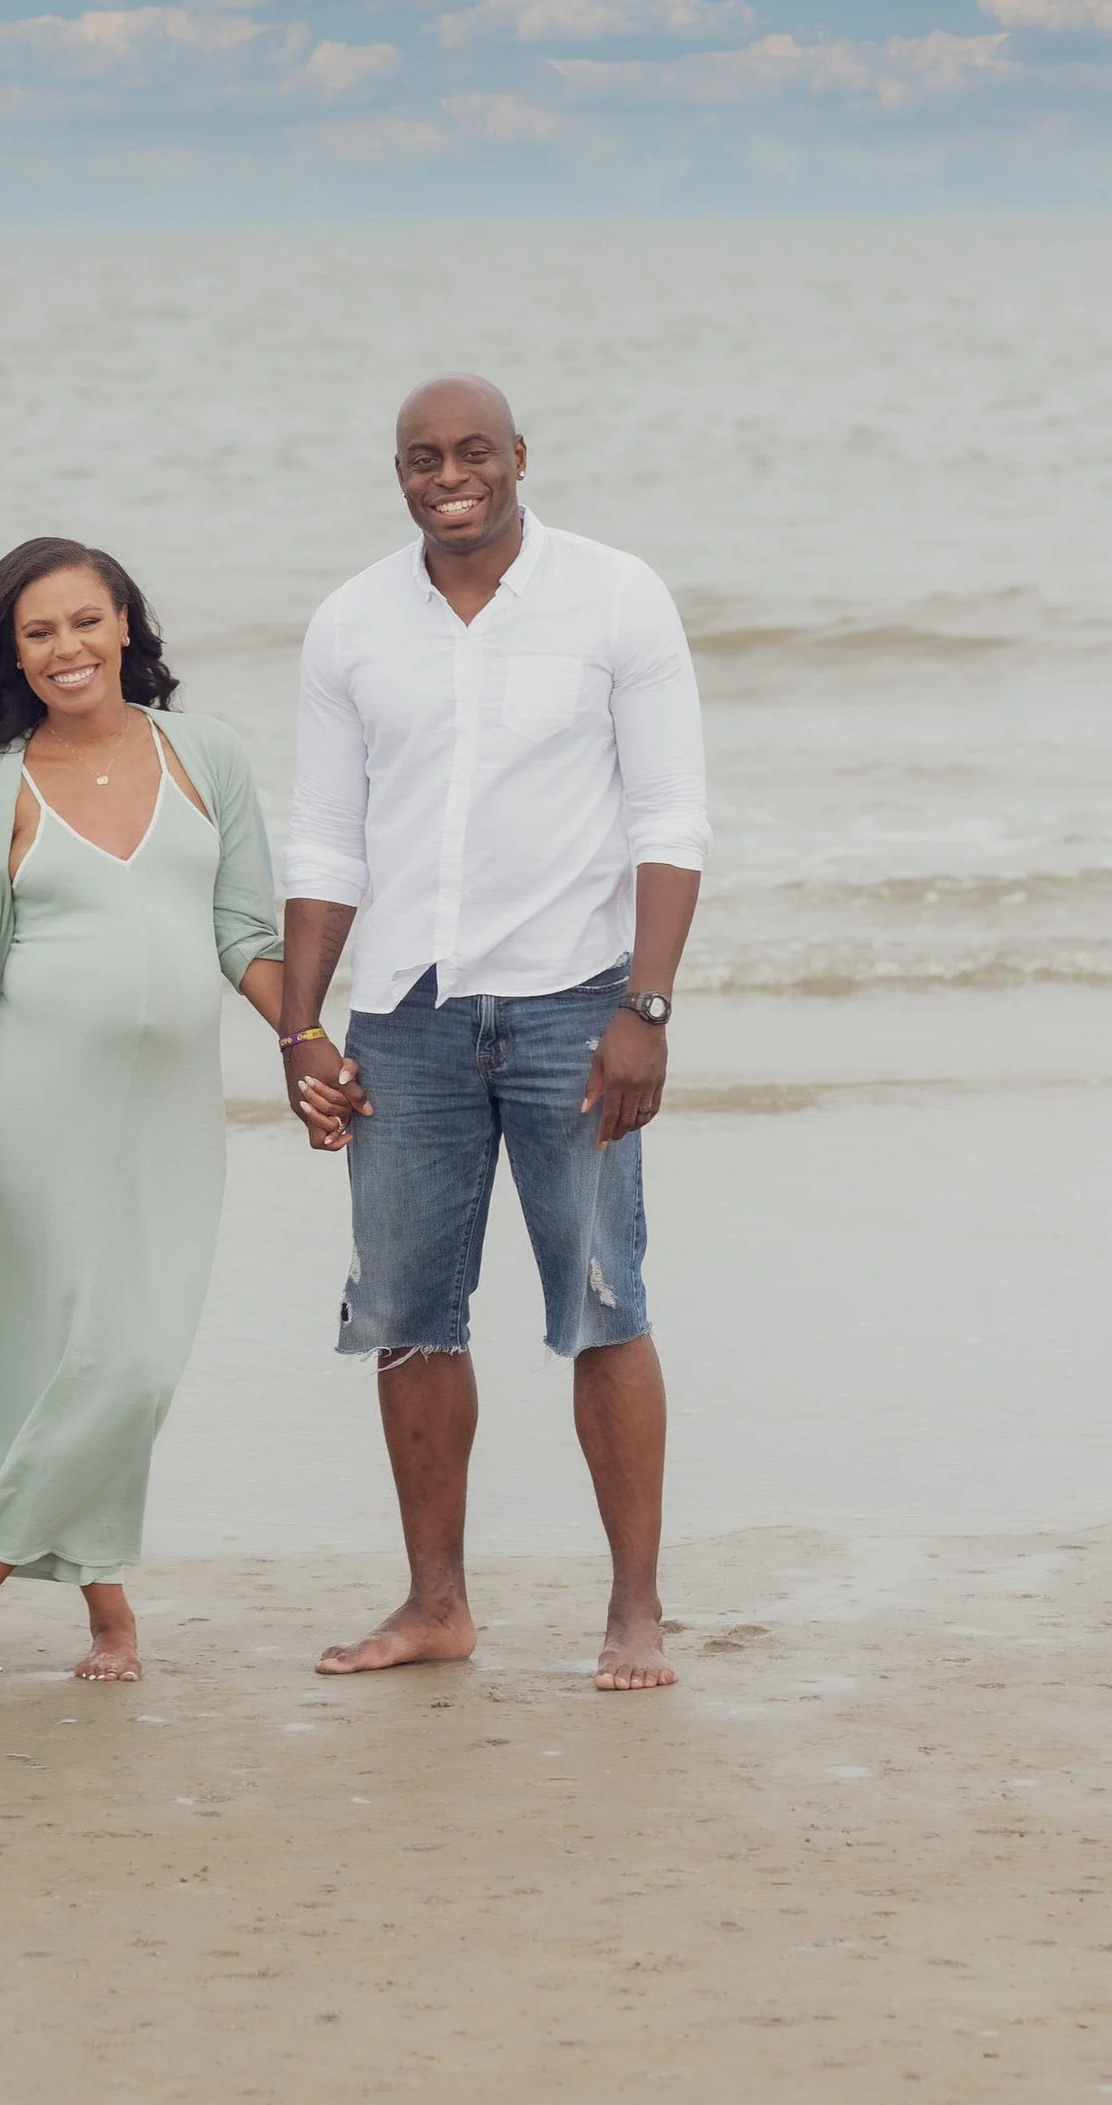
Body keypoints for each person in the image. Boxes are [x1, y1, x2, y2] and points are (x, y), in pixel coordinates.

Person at [0, 537, 353, 1684]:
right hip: (24, 1119)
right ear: (14, 653)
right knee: (29, 1354)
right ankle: (103, 1606)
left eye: (86, 622)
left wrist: (303, 1040)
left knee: (133, 1361)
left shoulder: (207, 755)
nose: (68, 649)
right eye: (39, 631)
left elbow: (245, 936)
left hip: (165, 1120)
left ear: (126, 627)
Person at [280, 377, 708, 1693]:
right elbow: (324, 841)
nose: (446, 476)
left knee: (600, 1307)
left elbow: (668, 821)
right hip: (400, 1019)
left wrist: (642, 1009)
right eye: (420, 458)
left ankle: (631, 1611)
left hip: (575, 1006)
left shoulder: (615, 597)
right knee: (406, 1317)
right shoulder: (350, 623)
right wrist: (297, 1025)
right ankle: (433, 1606)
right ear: (395, 471)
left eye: (471, 453)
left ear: (518, 457)